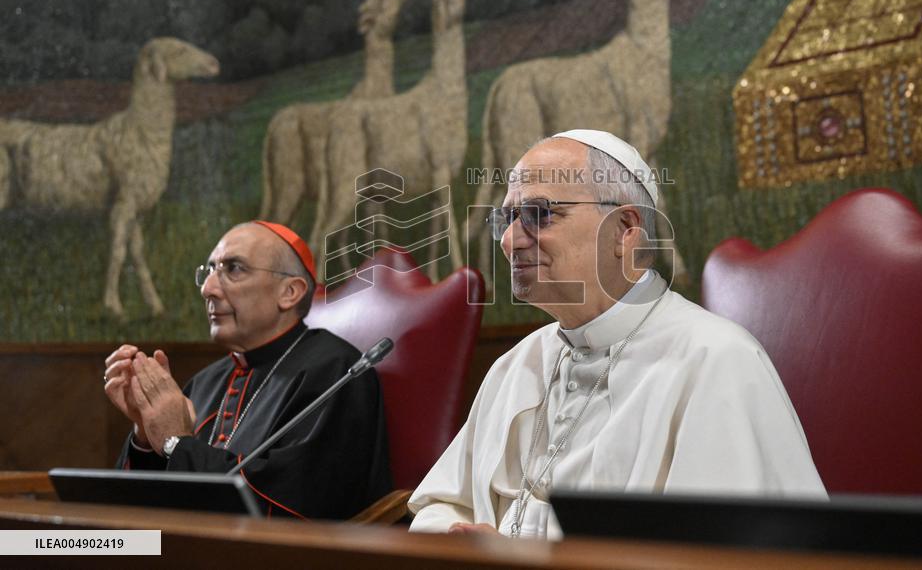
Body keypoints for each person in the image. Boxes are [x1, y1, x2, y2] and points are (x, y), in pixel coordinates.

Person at [408, 130, 826, 538]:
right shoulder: (516, 365)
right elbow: (442, 503)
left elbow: (719, 554)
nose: (510, 240)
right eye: (507, 218)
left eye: (539, 215)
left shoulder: (716, 360)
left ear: (625, 229)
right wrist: (458, 538)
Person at [104, 220, 392, 520]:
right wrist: (146, 435)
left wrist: (174, 442)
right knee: (76, 548)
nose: (208, 289)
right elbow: (143, 511)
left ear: (290, 292)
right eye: (210, 271)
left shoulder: (338, 372)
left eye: (234, 269)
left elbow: (297, 506)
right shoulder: (206, 381)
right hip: (184, 551)